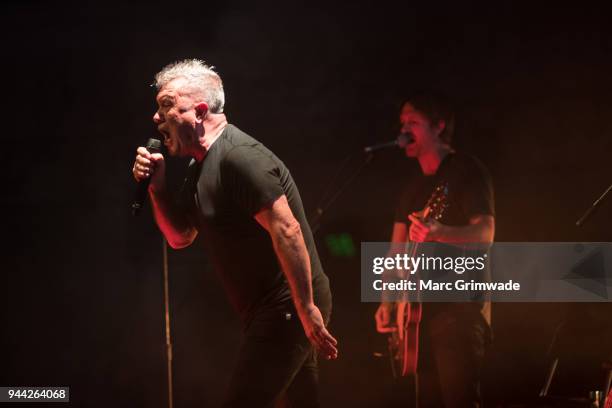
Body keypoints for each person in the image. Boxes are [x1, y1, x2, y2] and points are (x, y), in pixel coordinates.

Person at [132, 59, 337, 408]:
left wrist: (305, 308)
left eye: (166, 105)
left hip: (288, 307)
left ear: (199, 111)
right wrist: (157, 187)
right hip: (272, 310)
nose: (156, 117)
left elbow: (286, 229)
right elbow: (180, 236)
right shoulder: (200, 168)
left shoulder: (238, 157)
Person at [374, 92, 495, 407]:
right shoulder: (412, 188)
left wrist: (440, 232)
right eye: (402, 122)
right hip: (417, 317)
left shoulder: (466, 170)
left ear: (439, 126)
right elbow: (395, 253)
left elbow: (485, 234)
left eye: (413, 122)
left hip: (458, 310)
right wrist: (388, 301)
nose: (403, 130)